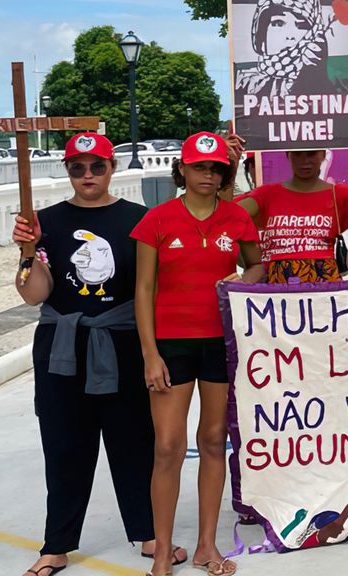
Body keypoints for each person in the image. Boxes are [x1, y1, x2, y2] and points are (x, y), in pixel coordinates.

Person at [11, 133, 174, 576]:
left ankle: (148, 533)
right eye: (77, 167)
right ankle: (57, 544)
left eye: (96, 166)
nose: (87, 175)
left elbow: (153, 289)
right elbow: (33, 295)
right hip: (62, 345)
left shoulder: (140, 220)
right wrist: (28, 251)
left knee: (134, 441)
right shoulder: (43, 221)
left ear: (111, 168)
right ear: (67, 171)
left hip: (122, 339)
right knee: (64, 445)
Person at [134, 132, 264, 576]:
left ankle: (208, 545)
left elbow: (258, 265)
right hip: (170, 344)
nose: (208, 174)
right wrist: (150, 354)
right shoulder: (157, 220)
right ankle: (164, 552)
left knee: (213, 441)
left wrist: (243, 282)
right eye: (199, 167)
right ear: (183, 170)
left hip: (219, 343)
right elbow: (143, 290)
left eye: (216, 169)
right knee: (168, 446)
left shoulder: (236, 219)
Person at [235, 133, 348, 284]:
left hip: (324, 294)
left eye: (311, 153)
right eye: (298, 154)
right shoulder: (266, 195)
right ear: (287, 155)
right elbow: (226, 215)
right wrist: (231, 160)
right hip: (276, 293)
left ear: (323, 155)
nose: (305, 161)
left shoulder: (341, 194)